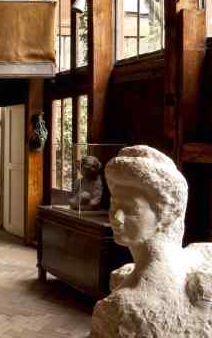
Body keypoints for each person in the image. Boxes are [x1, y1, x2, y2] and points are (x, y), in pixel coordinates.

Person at [91, 145, 212, 338]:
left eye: (131, 208)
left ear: (164, 215)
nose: (116, 216)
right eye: (114, 204)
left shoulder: (121, 307)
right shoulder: (202, 251)